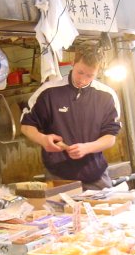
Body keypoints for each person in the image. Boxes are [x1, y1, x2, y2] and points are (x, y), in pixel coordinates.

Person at [20, 45, 122, 191]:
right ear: (73, 63)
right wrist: (42, 139)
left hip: (96, 176)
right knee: (58, 214)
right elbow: (26, 126)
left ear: (97, 73)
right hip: (58, 176)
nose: (82, 79)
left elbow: (110, 137)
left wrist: (87, 148)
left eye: (89, 75)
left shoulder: (107, 96)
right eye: (80, 72)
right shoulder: (49, 92)